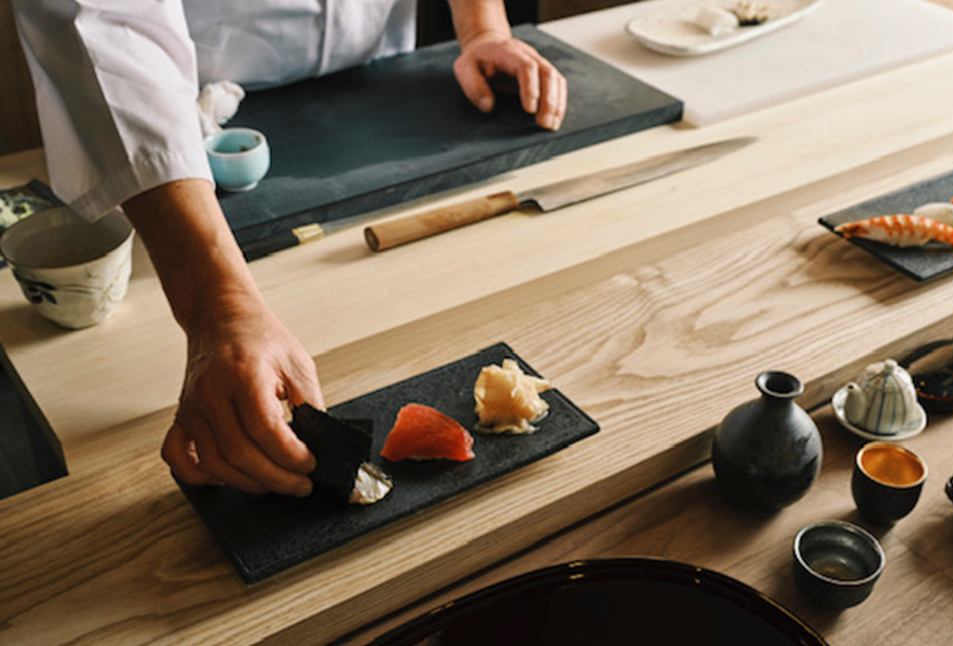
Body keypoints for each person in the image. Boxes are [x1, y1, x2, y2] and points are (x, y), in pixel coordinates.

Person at [13, 0, 567, 497]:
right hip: (181, 127)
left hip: (377, 96)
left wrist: (481, 27)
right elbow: (103, 18)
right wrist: (219, 304)